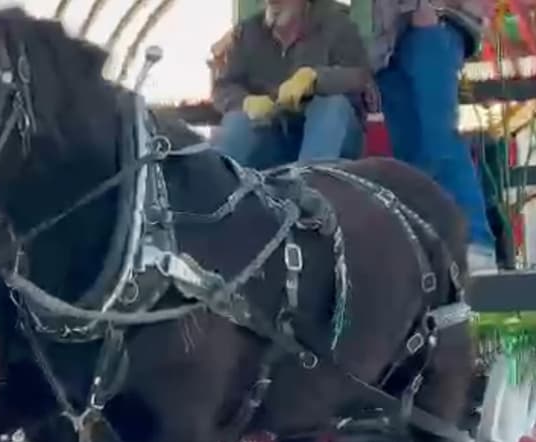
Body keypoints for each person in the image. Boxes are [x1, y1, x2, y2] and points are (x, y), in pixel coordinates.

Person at [371, 1, 498, 270]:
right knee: (410, 152)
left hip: (430, 23)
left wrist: (427, 8)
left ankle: (476, 242)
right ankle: (431, 248)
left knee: (438, 137)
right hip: (385, 39)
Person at [212, 0, 371, 168]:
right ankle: (219, 185)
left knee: (332, 105)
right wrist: (245, 102)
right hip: (274, 135)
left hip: (332, 138)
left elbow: (360, 76)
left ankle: (309, 187)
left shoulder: (337, 24)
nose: (272, 2)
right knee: (237, 120)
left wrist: (316, 79)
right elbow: (223, 87)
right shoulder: (247, 32)